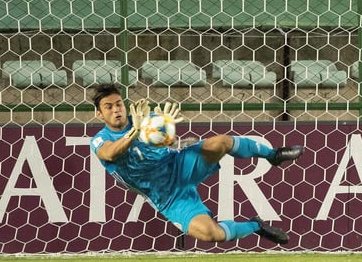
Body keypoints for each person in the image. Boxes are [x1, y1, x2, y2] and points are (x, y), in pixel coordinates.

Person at [90, 83, 304, 244]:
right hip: (166, 195)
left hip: (178, 165)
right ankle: (256, 226)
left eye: (118, 104)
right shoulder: (100, 139)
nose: (116, 109)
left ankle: (272, 154)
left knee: (220, 142)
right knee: (210, 233)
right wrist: (135, 133)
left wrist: (166, 128)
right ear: (99, 114)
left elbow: (170, 142)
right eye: (108, 107)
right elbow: (110, 153)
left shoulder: (146, 119)